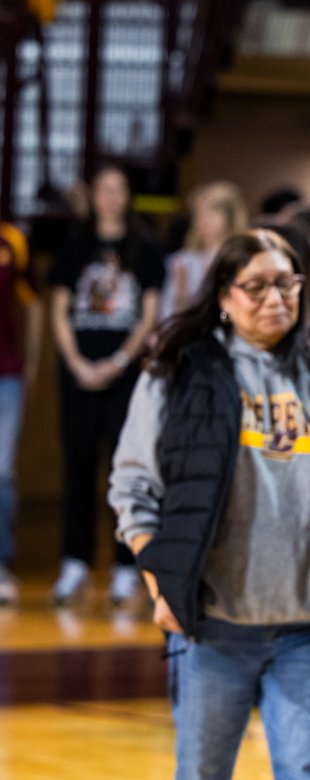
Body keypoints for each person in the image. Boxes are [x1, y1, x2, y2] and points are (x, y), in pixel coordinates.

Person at [108, 229, 310, 780]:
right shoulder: (178, 372)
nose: (275, 299)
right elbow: (133, 487)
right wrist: (160, 581)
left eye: (286, 284)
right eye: (255, 286)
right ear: (222, 293)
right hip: (212, 627)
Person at [48, 162, 164, 606]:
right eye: (104, 189)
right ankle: (73, 564)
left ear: (127, 196)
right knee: (77, 467)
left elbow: (149, 314)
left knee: (124, 470)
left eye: (119, 189)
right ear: (93, 196)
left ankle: (123, 567)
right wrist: (77, 362)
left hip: (125, 374)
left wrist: (118, 360)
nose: (111, 197)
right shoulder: (75, 246)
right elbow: (58, 309)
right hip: (77, 375)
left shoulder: (146, 247)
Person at [0, 222, 40, 604]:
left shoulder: (12, 239)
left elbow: (33, 302)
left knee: (2, 472)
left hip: (6, 373)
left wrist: (30, 361)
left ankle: (0, 564)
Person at [158, 181, 248, 320]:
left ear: (230, 216)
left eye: (212, 212)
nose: (204, 220)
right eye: (199, 213)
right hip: (189, 335)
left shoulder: (243, 259)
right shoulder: (182, 260)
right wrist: (182, 298)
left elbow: (235, 314)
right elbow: (169, 313)